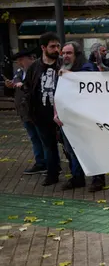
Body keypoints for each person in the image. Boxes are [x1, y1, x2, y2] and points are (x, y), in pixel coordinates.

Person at [55, 42, 96, 189]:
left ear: (77, 55)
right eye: (63, 53)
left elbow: (92, 81)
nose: (65, 56)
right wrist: (56, 113)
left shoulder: (87, 66)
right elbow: (57, 94)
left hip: (86, 118)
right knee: (71, 149)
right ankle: (77, 177)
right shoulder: (61, 70)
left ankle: (98, 179)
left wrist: (70, 76)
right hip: (67, 119)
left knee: (91, 150)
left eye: (69, 53)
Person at [22, 32, 61, 186]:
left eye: (58, 46)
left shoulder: (63, 64)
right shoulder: (35, 67)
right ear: (43, 48)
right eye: (52, 46)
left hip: (63, 114)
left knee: (69, 147)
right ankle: (52, 174)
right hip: (41, 114)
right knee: (48, 146)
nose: (56, 49)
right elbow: (27, 88)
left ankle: (76, 175)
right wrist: (30, 109)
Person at [5, 49, 46, 175]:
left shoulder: (37, 70)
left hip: (36, 111)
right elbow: (15, 82)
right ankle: (40, 162)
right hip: (24, 111)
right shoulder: (19, 72)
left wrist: (21, 85)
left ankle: (48, 163)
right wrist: (11, 85)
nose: (19, 63)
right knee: (34, 137)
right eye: (18, 61)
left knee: (43, 137)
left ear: (30, 59)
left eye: (21, 60)